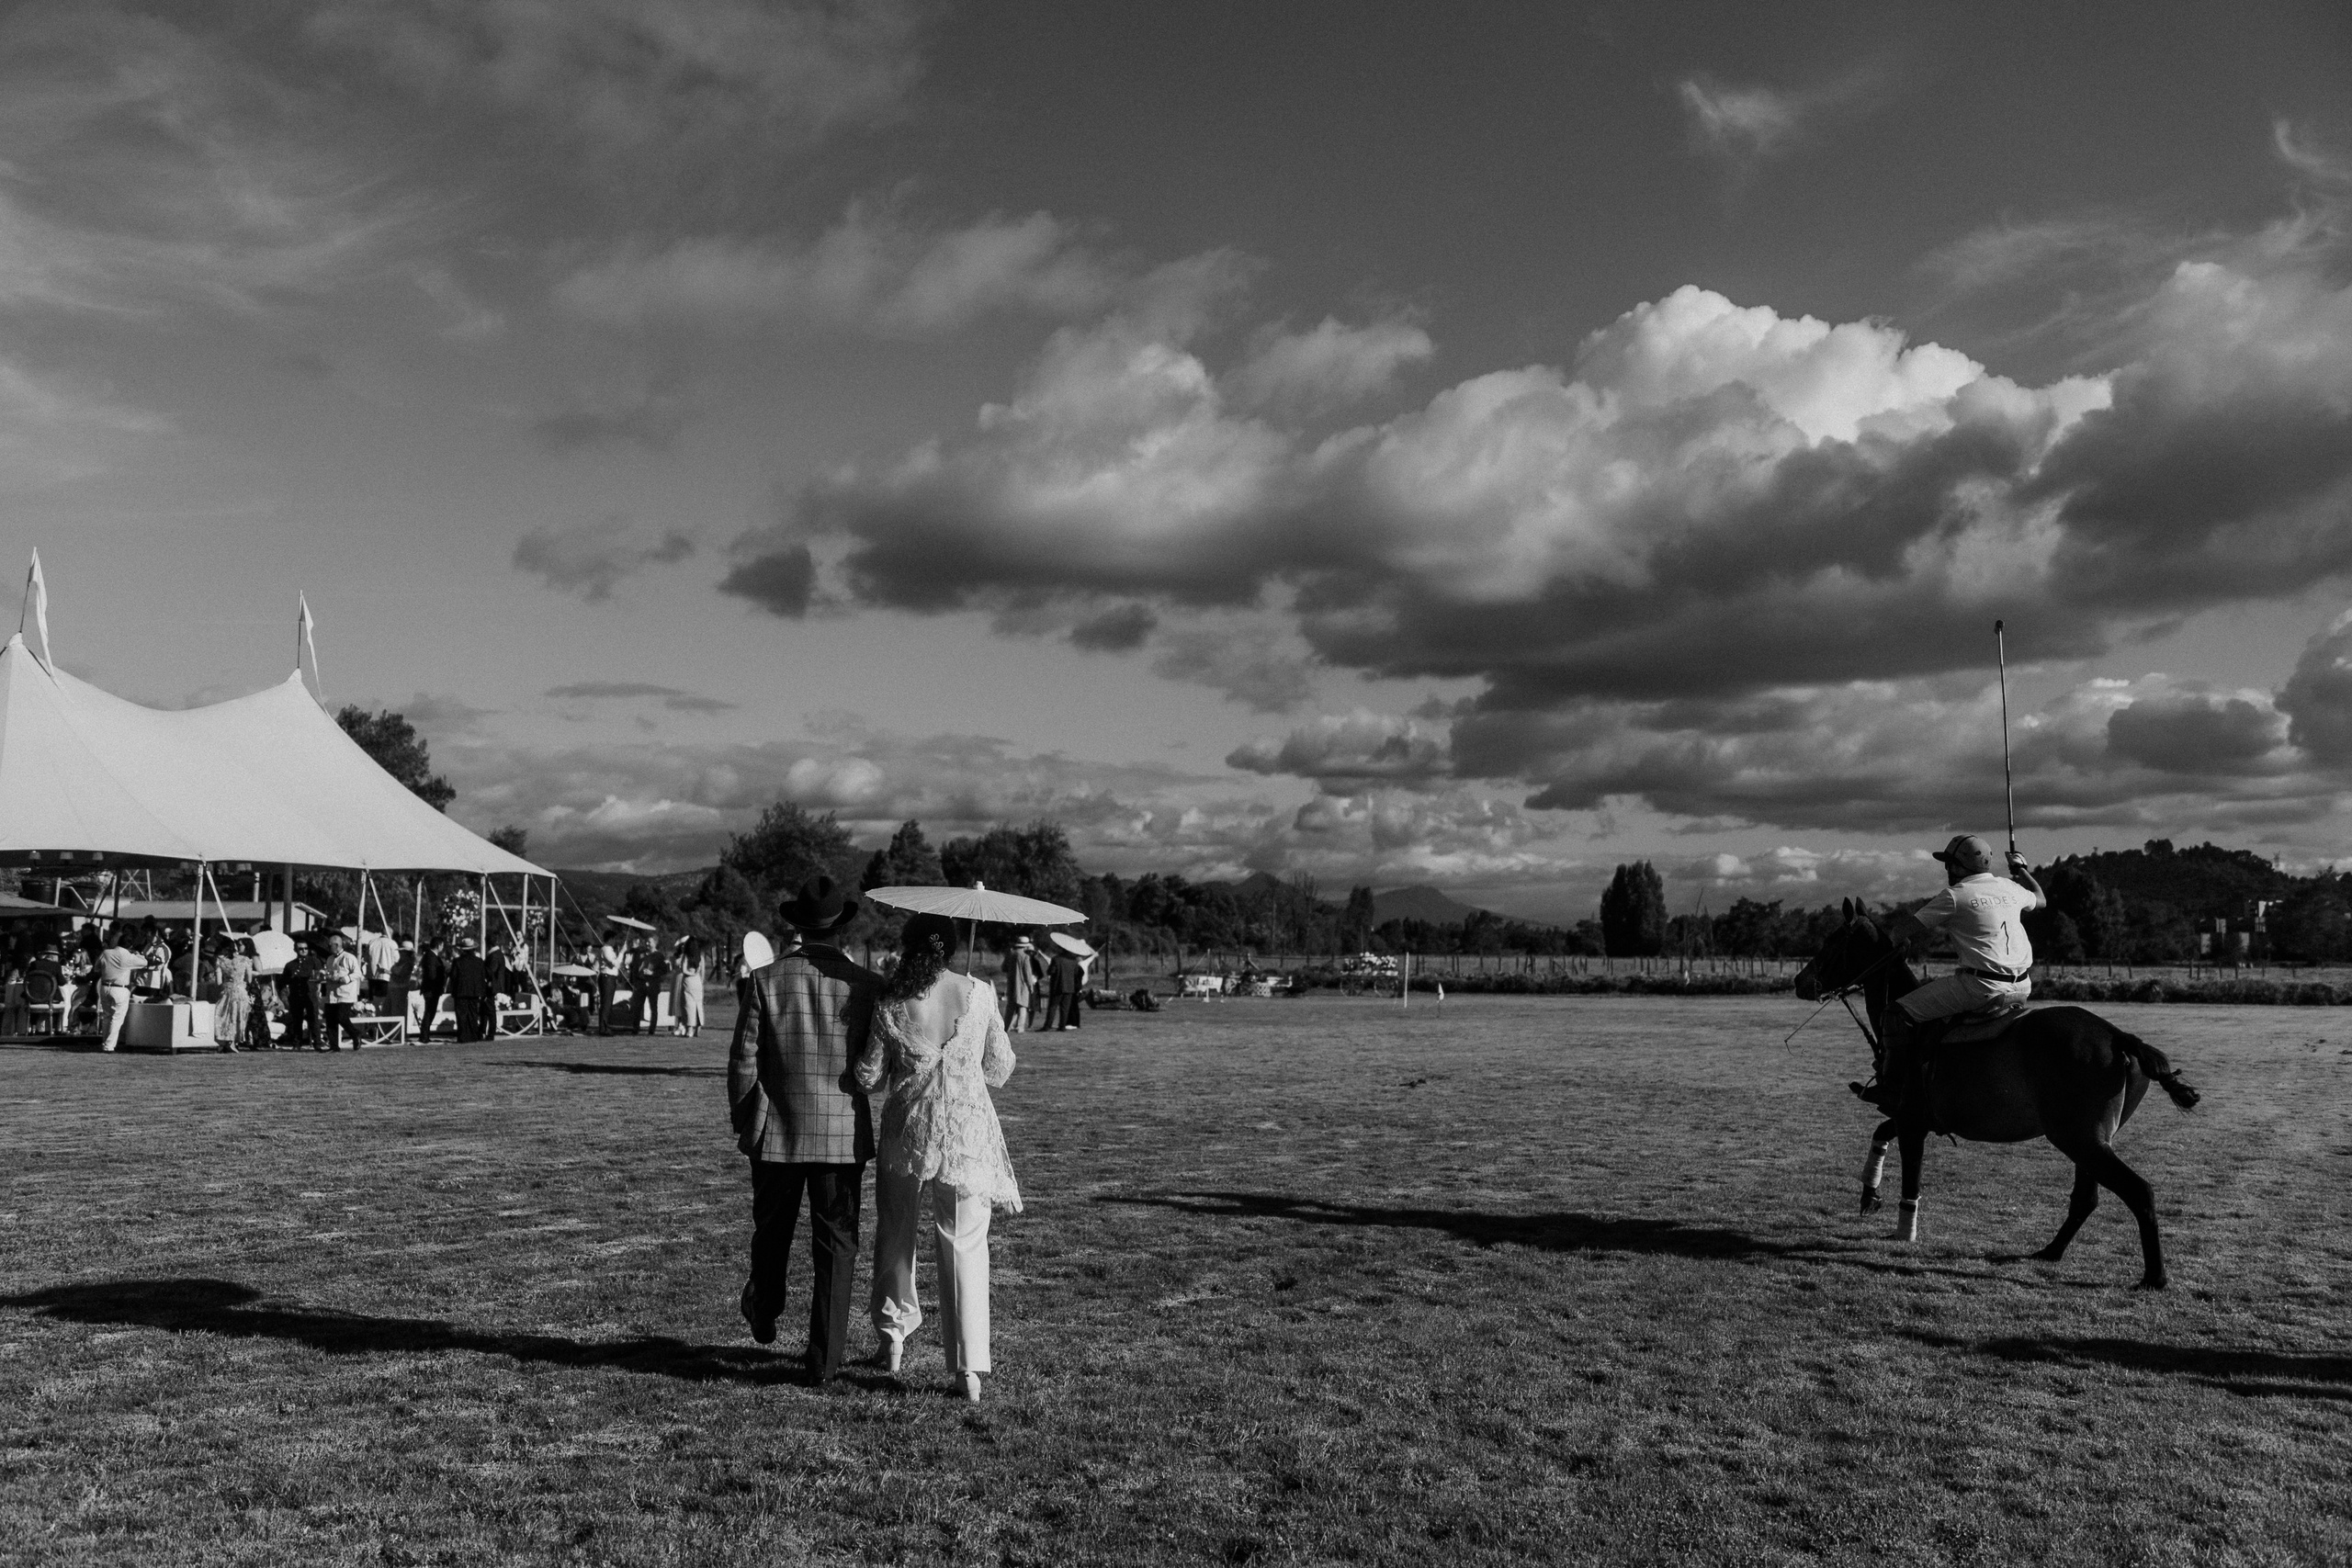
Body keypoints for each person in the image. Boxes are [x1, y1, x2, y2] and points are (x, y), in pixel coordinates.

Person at [855, 913, 1021, 1403]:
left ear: (908, 947)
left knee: (896, 1233)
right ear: (951, 949)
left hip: (907, 1132)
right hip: (966, 1134)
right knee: (965, 1243)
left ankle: (892, 1338)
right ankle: (968, 1370)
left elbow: (869, 1075)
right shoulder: (981, 994)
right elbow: (1000, 1067)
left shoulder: (892, 1001)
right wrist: (966, 1052)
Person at [729, 875, 880, 1385]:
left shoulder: (765, 979)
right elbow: (872, 1065)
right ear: (840, 927)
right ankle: (824, 1361)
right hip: (841, 1134)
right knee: (837, 1246)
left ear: (797, 925)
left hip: (776, 1129)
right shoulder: (866, 985)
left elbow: (743, 1061)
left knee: (771, 1232)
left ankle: (764, 1306)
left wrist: (745, 1121)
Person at [1863, 833, 2046, 1114]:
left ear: (1960, 865)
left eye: (1949, 863)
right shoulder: (2009, 886)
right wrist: (2021, 869)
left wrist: (1902, 940)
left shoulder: (1955, 895)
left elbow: (1901, 930)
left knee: (1894, 1014)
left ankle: (1892, 1088)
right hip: (2022, 986)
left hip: (1980, 987)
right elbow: (2041, 899)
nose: (1947, 868)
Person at [96, 925, 142, 1052]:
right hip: (120, 988)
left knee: (107, 1017)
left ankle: (105, 1043)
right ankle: (109, 1046)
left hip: (105, 986)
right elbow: (145, 963)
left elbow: (96, 968)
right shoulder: (129, 956)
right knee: (117, 1018)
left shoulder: (106, 953)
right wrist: (138, 955)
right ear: (130, 946)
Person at [319, 933, 363, 1052]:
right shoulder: (330, 959)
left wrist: (346, 978)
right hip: (332, 993)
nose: (328, 947)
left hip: (345, 994)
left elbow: (358, 973)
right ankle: (334, 1046)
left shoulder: (349, 957)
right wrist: (325, 976)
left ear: (337, 945)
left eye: (330, 945)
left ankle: (355, 1034)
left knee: (341, 1017)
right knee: (330, 1020)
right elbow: (330, 973)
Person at [210, 938, 252, 1055]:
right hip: (240, 992)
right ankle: (232, 1042)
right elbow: (249, 979)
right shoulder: (245, 960)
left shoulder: (220, 961)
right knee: (238, 1017)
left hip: (226, 991)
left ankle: (224, 1041)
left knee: (224, 1017)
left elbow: (218, 982)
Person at [1000, 934, 1046, 1033]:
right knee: (1023, 1006)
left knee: (1010, 1007)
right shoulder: (1025, 956)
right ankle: (1020, 1028)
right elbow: (1027, 973)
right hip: (1022, 984)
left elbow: (1003, 968)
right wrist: (1030, 986)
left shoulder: (1010, 955)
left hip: (1011, 984)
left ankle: (1006, 1027)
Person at [449, 936, 490, 1042]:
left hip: (460, 991)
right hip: (474, 992)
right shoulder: (479, 961)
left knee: (461, 1015)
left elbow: (453, 976)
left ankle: (463, 1036)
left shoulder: (457, 961)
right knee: (473, 1014)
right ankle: (473, 1035)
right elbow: (483, 976)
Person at [1044, 940, 1085, 1032]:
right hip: (1070, 987)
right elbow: (1077, 973)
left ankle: (1047, 1026)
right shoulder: (1073, 961)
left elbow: (1051, 971)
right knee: (1065, 1008)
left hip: (1057, 986)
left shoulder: (1056, 959)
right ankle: (1062, 1026)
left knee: (1053, 1007)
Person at [673, 935, 706, 1038]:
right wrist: (699, 978)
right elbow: (703, 973)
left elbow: (683, 970)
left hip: (688, 981)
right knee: (698, 1005)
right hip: (698, 982)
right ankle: (698, 1027)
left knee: (688, 1005)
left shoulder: (686, 956)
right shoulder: (700, 957)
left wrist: (691, 973)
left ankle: (689, 1029)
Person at [594, 931, 623, 1035]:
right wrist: (622, 953)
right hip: (607, 977)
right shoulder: (606, 949)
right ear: (610, 939)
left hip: (610, 978)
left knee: (608, 1003)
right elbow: (614, 964)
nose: (615, 941)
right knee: (606, 1003)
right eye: (614, 939)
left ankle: (605, 1026)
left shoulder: (610, 950)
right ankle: (603, 1028)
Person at [389, 940, 416, 1040]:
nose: (400, 953)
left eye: (403, 952)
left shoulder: (408, 964)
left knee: (398, 1013)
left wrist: (389, 973)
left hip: (400, 989)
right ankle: (395, 1034)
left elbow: (402, 978)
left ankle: (398, 1035)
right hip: (393, 989)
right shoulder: (400, 963)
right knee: (393, 1012)